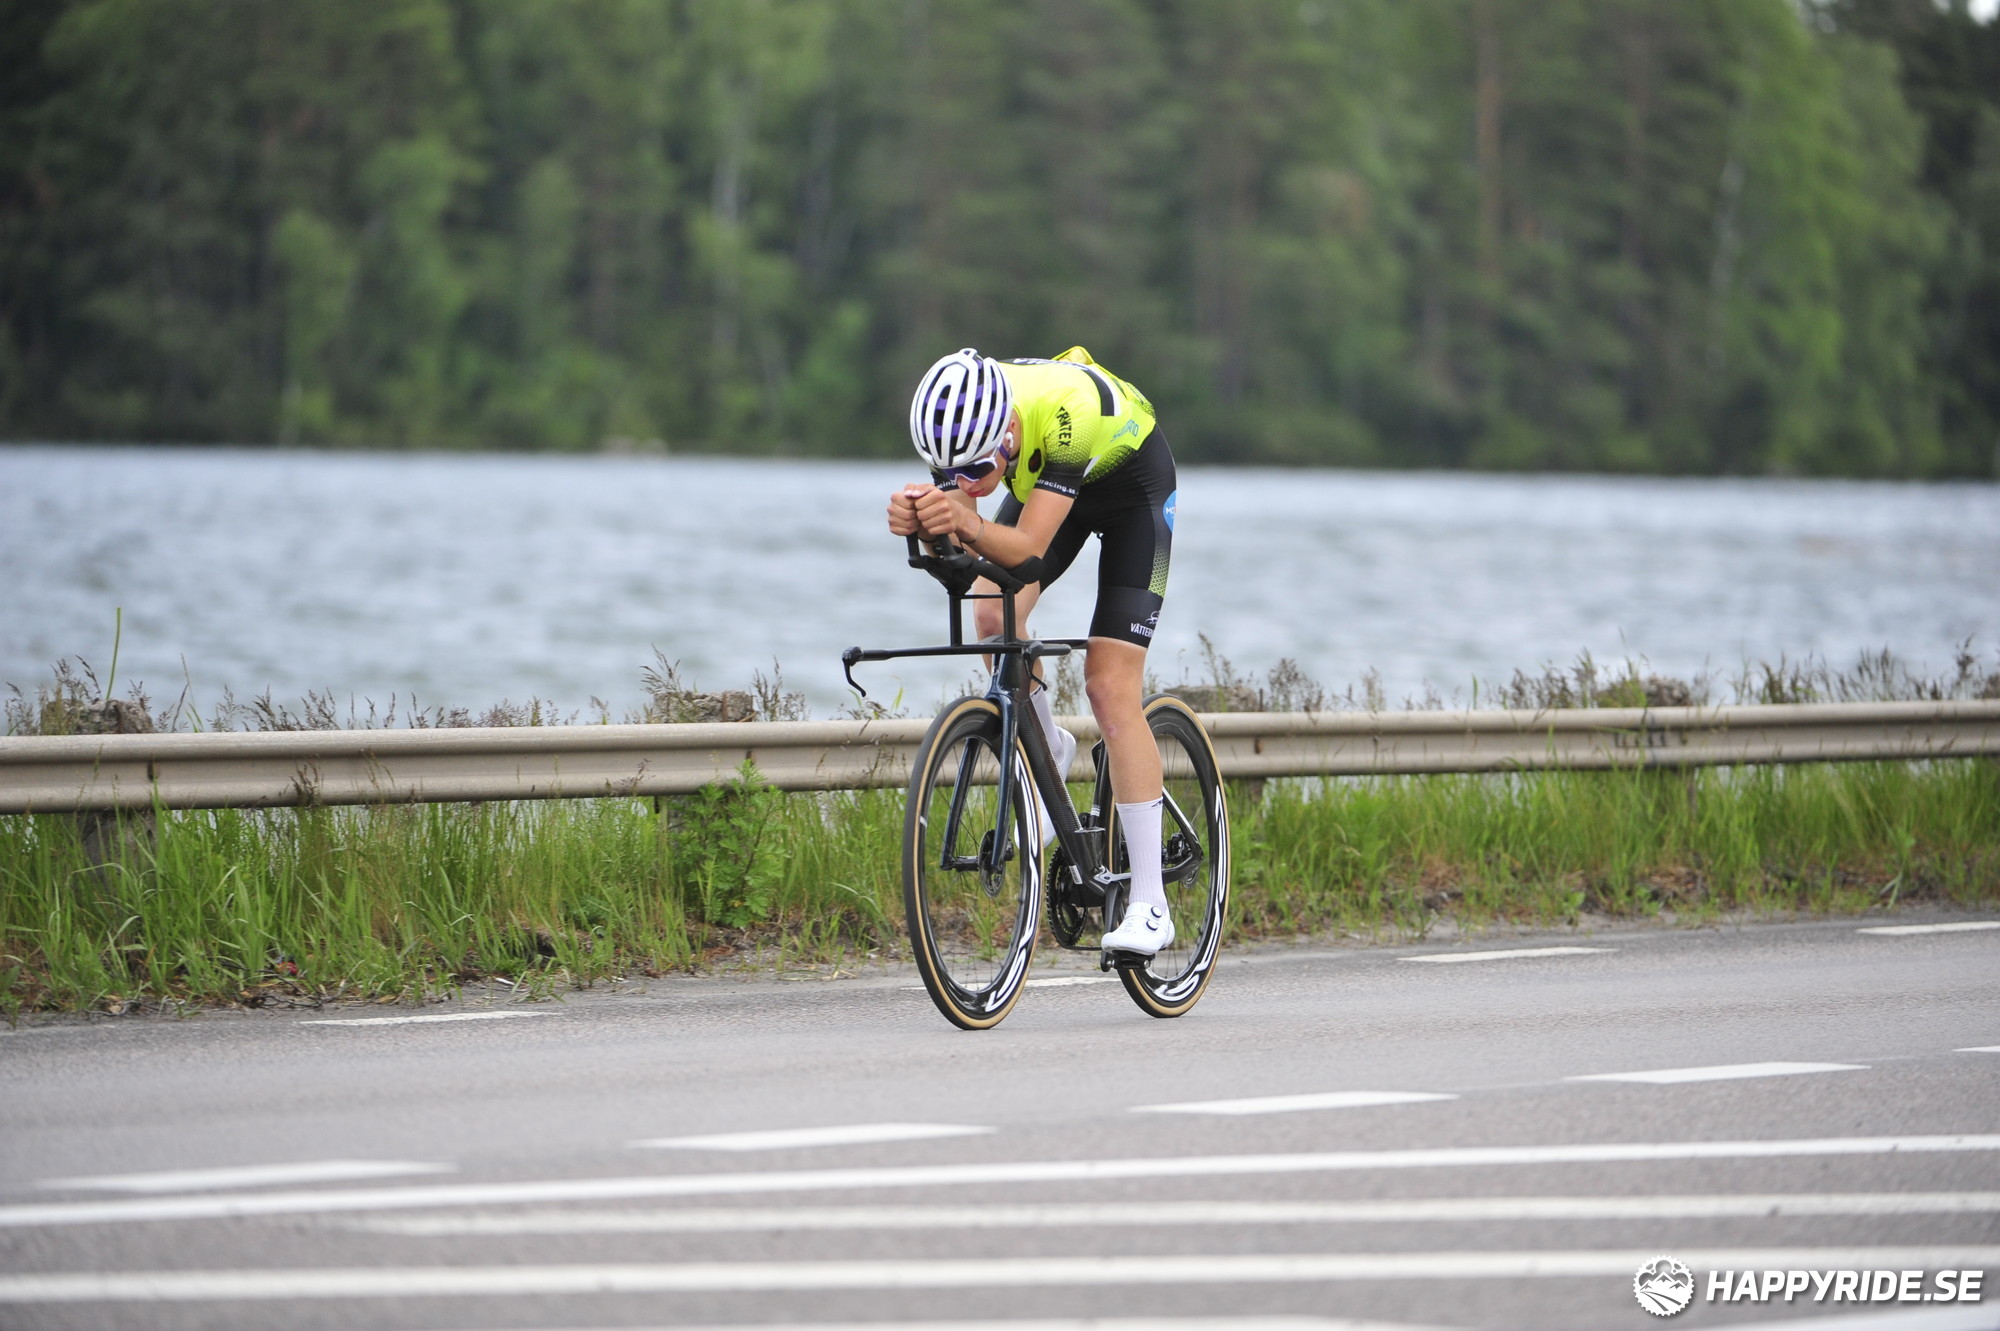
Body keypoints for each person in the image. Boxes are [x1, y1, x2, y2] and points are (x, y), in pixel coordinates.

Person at [887, 346, 1178, 956]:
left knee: (1108, 686)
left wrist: (959, 522)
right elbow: (968, 564)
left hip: (1134, 492)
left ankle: (1151, 904)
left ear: (1009, 431)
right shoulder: (965, 437)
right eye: (948, 473)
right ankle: (1048, 746)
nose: (965, 485)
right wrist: (925, 526)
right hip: (1054, 487)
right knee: (992, 612)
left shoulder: (1066, 415)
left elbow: (1028, 553)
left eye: (974, 470)